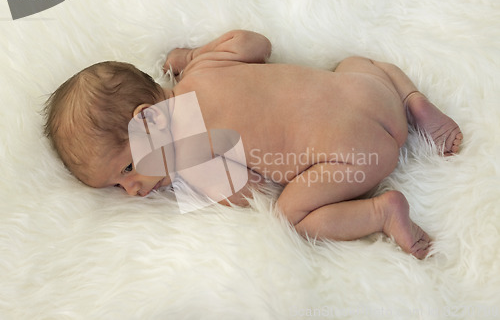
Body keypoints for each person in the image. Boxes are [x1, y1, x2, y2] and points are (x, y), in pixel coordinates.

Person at [44, 30, 463, 259]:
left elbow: (255, 191)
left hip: (358, 157)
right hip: (372, 96)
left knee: (291, 215)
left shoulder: (194, 160)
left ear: (147, 122)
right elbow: (256, 44)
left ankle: (380, 212)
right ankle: (413, 102)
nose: (132, 190)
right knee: (353, 63)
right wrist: (195, 53)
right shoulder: (205, 68)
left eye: (126, 170)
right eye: (119, 188)